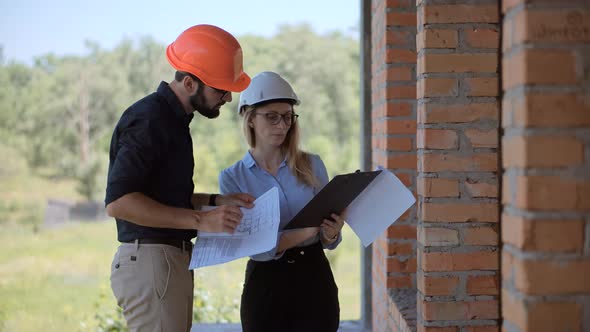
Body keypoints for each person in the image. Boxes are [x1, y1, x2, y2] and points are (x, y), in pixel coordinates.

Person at [104, 24, 255, 332]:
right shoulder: (148, 120)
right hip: (151, 261)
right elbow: (119, 202)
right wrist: (202, 221)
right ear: (189, 83)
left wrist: (215, 202)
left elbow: (164, 197)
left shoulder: (174, 122)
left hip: (167, 263)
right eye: (220, 89)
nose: (227, 99)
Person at [219, 71, 345, 332]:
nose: (282, 125)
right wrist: (307, 232)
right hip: (266, 284)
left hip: (315, 278)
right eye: (272, 116)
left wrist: (331, 234)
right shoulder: (233, 179)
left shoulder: (312, 165)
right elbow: (256, 247)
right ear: (250, 118)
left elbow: (329, 239)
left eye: (287, 117)